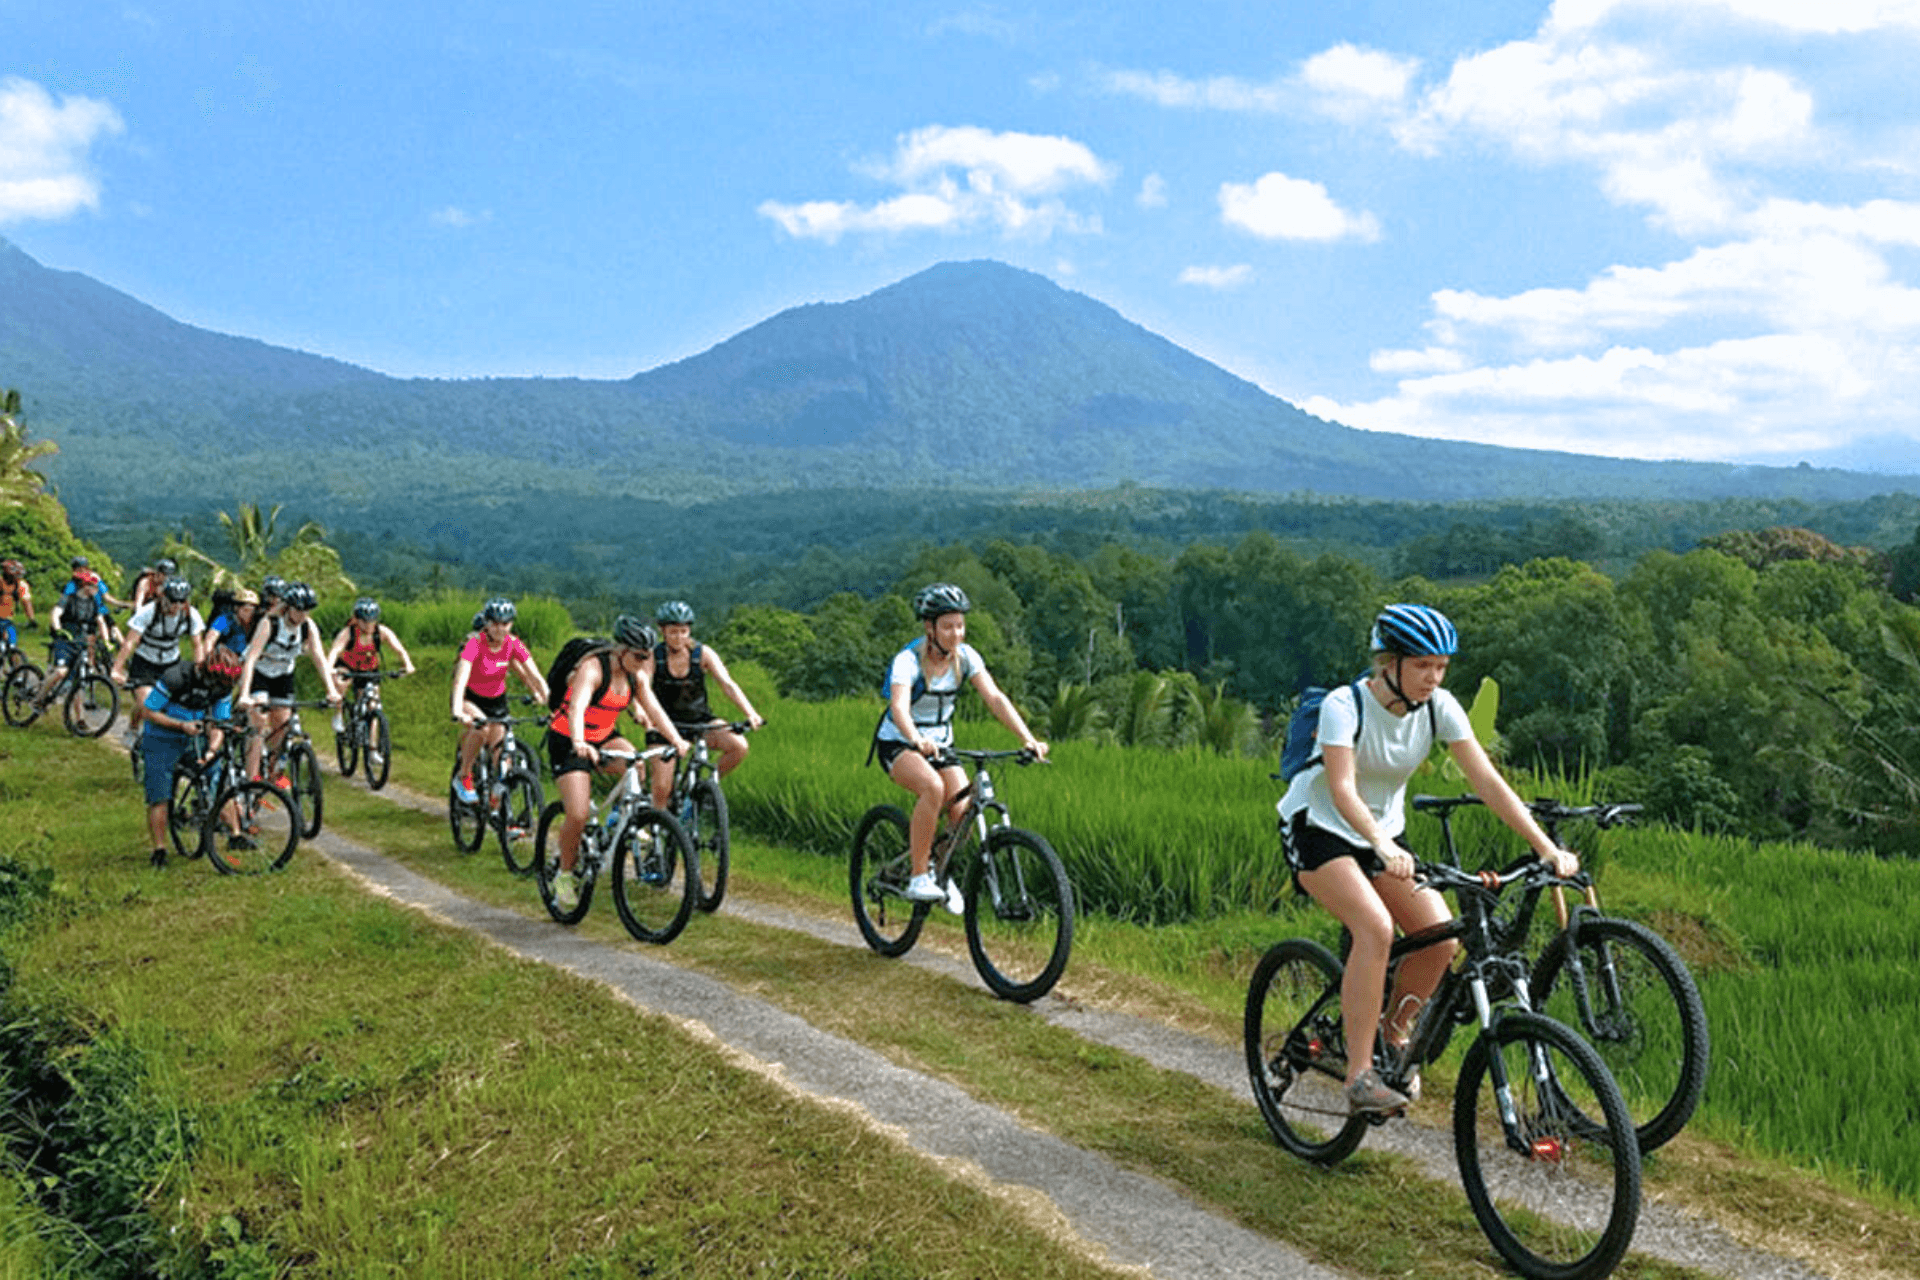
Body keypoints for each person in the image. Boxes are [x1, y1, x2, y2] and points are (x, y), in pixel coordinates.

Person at [1275, 603, 1581, 1115]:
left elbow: (1487, 782)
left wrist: (1544, 847)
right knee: (1375, 928)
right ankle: (1360, 1076)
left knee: (1440, 938)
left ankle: (1394, 1036)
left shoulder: (1440, 707)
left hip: (1383, 837)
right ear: (1388, 663)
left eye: (1441, 667)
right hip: (1319, 829)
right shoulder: (1343, 706)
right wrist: (1381, 844)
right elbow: (1342, 788)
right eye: (1422, 665)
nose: (1433, 677)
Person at [872, 583, 1048, 909]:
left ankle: (940, 872)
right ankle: (918, 876)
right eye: (948, 626)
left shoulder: (966, 658)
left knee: (963, 807)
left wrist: (1027, 738)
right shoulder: (908, 661)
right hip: (899, 742)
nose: (956, 634)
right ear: (930, 628)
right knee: (932, 787)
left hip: (941, 745)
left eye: (960, 625)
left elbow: (995, 698)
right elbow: (899, 708)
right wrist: (916, 739)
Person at [543, 615, 688, 911]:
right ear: (620, 650)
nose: (644, 662)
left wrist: (676, 740)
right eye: (638, 656)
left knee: (636, 764)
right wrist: (579, 741)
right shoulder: (593, 669)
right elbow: (577, 707)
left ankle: (619, 820)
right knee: (578, 814)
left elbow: (655, 710)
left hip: (604, 736)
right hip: (568, 738)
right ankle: (564, 876)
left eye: (647, 656)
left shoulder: (636, 676)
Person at [645, 600, 765, 814]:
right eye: (673, 632)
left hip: (700, 721)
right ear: (662, 631)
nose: (679, 637)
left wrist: (751, 713)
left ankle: (704, 789)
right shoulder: (653, 656)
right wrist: (643, 715)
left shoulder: (703, 654)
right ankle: (657, 827)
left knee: (738, 746)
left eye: (683, 631)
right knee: (661, 790)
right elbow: (642, 688)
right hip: (664, 726)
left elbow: (727, 684)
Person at [137, 642, 246, 867]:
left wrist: (212, 750)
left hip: (195, 736)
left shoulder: (223, 687)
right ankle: (159, 850)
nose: (218, 688)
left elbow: (219, 723)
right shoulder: (176, 676)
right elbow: (148, 711)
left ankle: (236, 835)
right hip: (161, 738)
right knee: (160, 795)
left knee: (217, 781)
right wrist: (180, 725)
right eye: (216, 683)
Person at [236, 581, 341, 781]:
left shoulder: (308, 626)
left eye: (307, 611)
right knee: (258, 721)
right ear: (288, 607)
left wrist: (331, 690)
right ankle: (251, 779)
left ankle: (273, 773)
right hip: (260, 672)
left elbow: (319, 657)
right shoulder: (270, 623)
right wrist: (245, 694)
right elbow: (251, 658)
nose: (303, 615)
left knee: (282, 725)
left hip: (283, 674)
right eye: (299, 610)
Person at [450, 597, 547, 802]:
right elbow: (461, 679)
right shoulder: (475, 644)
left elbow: (534, 675)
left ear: (511, 624)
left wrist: (549, 700)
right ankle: (464, 775)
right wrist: (457, 709)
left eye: (505, 624)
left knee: (501, 757)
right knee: (481, 728)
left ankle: (498, 811)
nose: (499, 628)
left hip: (497, 701)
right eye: (494, 623)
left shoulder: (513, 644)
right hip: (472, 698)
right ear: (486, 623)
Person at [112, 576, 205, 749]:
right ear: (164, 597)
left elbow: (197, 644)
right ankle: (133, 728)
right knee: (147, 704)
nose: (177, 605)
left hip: (171, 663)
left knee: (169, 704)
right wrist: (117, 669)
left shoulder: (191, 615)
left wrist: (200, 670)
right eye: (173, 601)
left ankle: (164, 738)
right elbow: (130, 642)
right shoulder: (149, 612)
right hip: (145, 662)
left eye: (181, 601)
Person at [325, 597, 416, 727]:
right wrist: (329, 669)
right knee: (340, 684)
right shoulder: (348, 632)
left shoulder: (381, 632)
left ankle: (372, 739)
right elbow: (335, 651)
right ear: (356, 620)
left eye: (372, 621)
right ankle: (338, 714)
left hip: (369, 668)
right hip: (348, 665)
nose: (369, 625)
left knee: (373, 704)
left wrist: (408, 664)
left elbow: (400, 650)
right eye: (364, 621)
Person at [32, 570, 112, 716]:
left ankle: (80, 719)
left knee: (79, 681)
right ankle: (38, 699)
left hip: (80, 642)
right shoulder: (68, 599)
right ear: (84, 585)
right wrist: (58, 629)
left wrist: (107, 641)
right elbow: (56, 613)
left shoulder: (93, 603)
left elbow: (100, 622)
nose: (96, 589)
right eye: (93, 586)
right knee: (60, 672)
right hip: (65, 641)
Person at [0, 557, 34, 653]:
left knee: (12, 644)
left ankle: (14, 659)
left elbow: (26, 602)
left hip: (7, 619)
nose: (17, 578)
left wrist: (32, 619)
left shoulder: (20, 585)